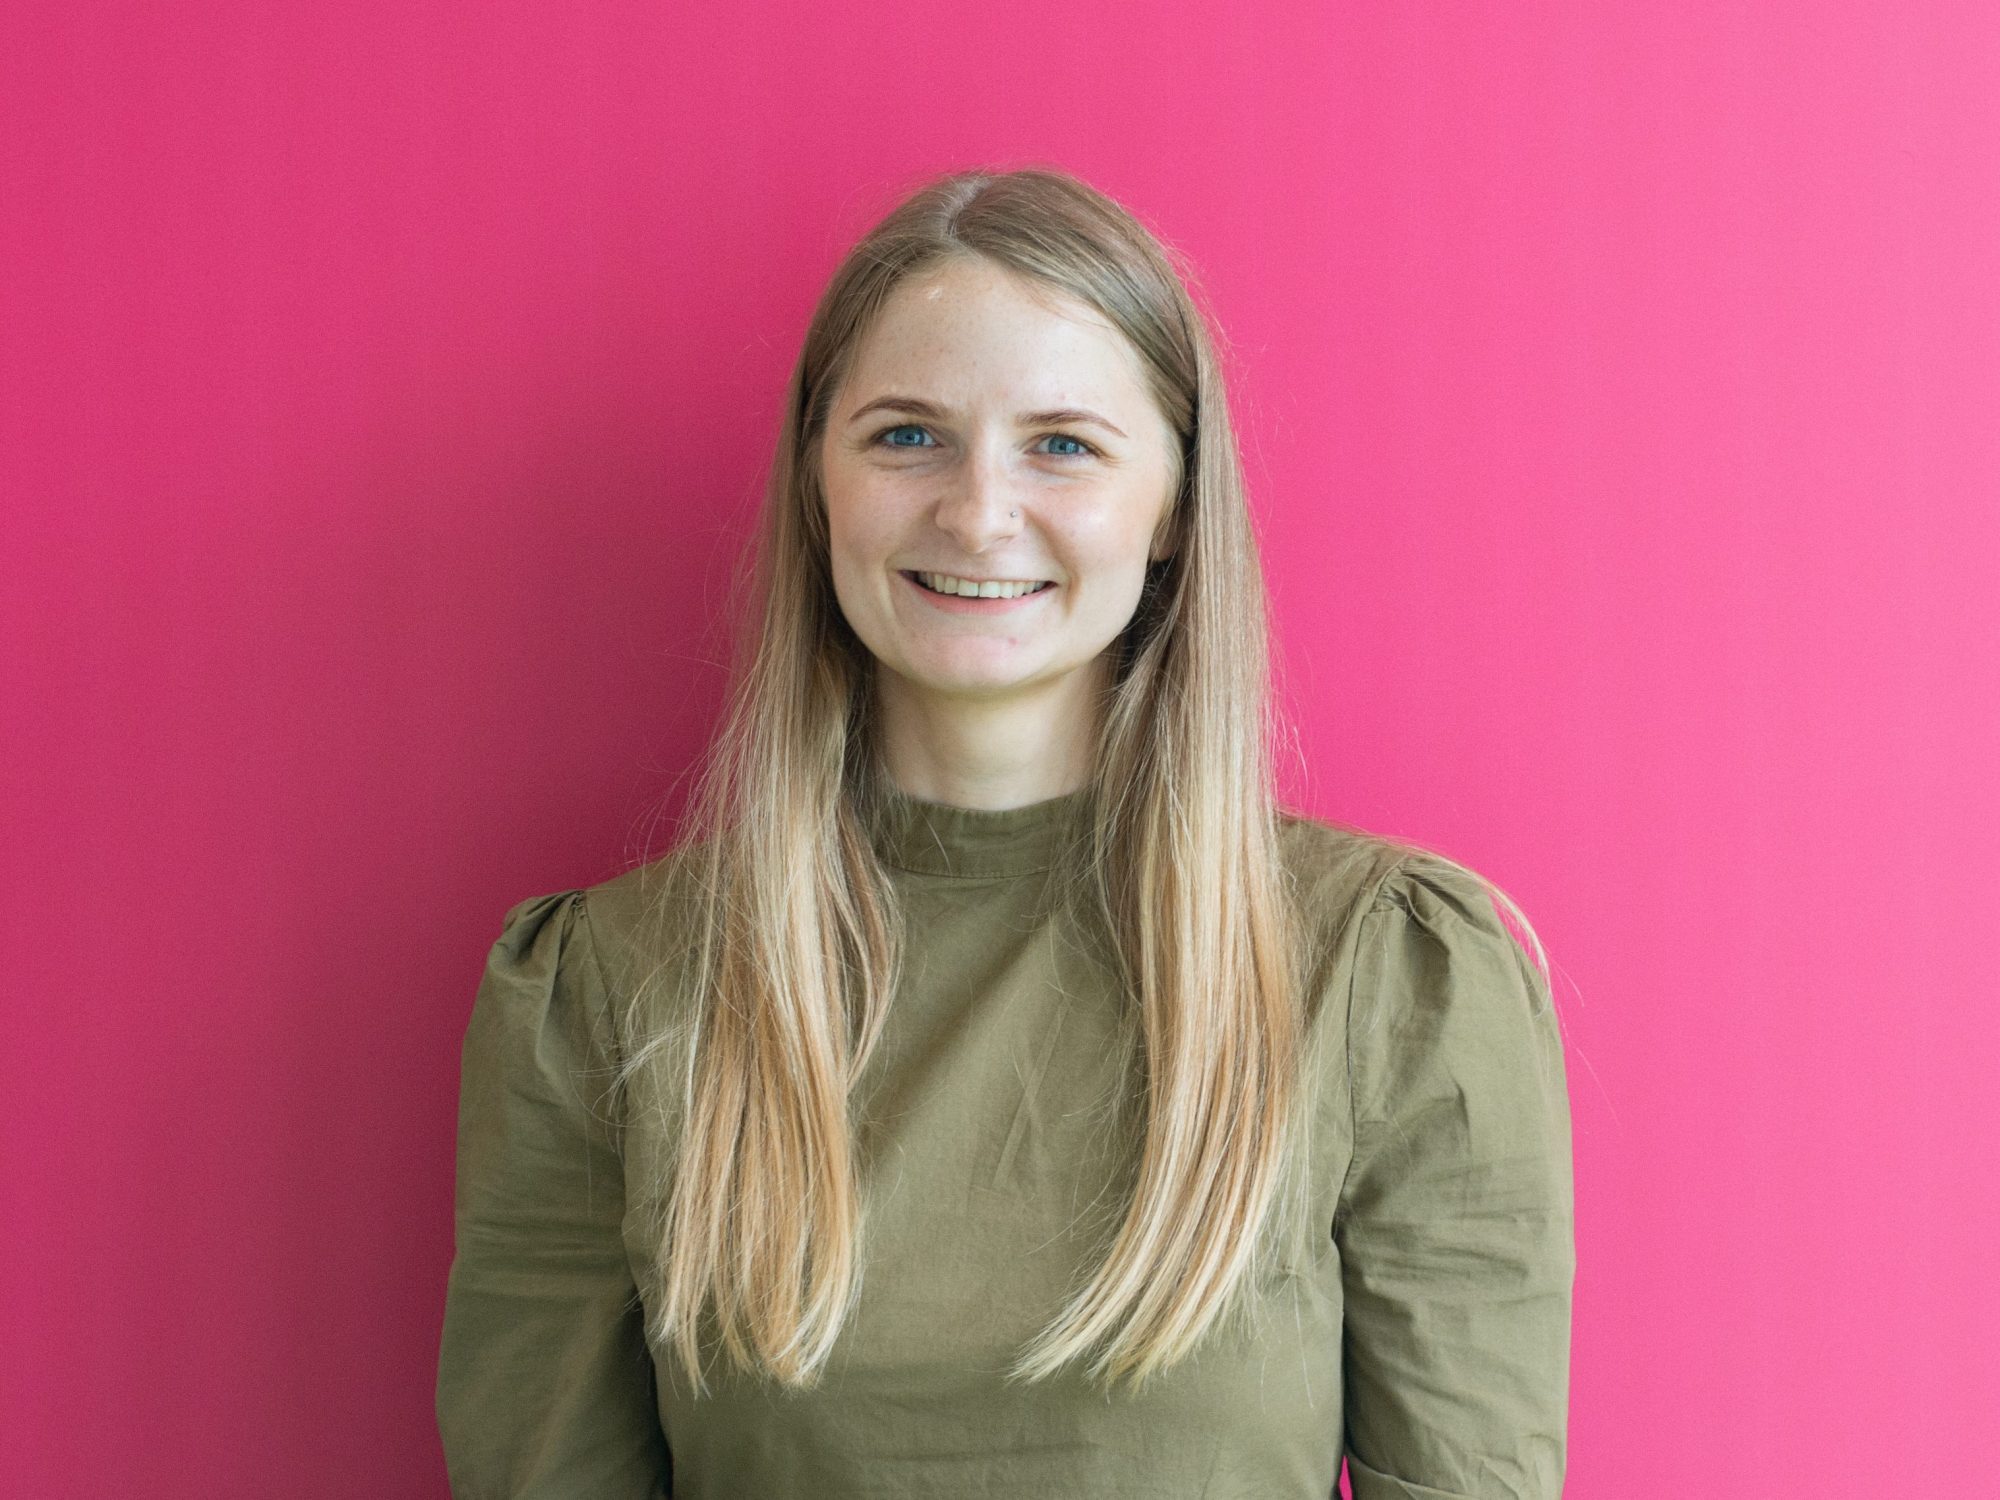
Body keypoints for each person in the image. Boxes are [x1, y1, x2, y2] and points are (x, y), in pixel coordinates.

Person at [434, 165, 1576, 1499]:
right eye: (907, 436)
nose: (978, 512)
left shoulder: (1391, 971)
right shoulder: (602, 992)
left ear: (1174, 508)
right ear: (818, 485)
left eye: (1065, 445)